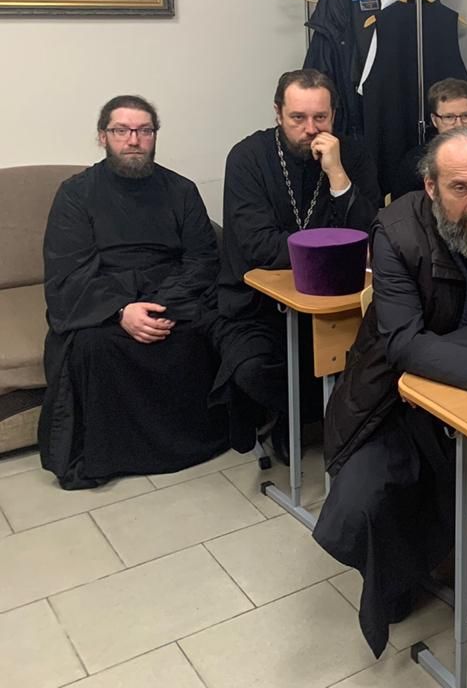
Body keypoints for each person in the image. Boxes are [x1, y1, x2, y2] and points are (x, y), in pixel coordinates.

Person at [314, 127, 467, 656]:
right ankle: (397, 581)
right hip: (392, 394)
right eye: (461, 188)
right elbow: (402, 343)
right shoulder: (396, 230)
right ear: (430, 187)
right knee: (361, 502)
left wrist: (448, 355)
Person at [39, 95, 228, 489]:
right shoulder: (75, 194)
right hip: (104, 297)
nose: (133, 139)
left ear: (155, 136)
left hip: (173, 295)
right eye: (121, 130)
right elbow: (68, 269)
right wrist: (121, 311)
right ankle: (112, 455)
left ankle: (192, 442)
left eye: (144, 130)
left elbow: (202, 258)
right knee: (91, 345)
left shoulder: (181, 190)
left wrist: (163, 304)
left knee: (206, 329)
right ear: (102, 137)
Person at [213, 69, 381, 456]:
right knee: (252, 368)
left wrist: (337, 175)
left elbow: (370, 236)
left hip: (337, 300)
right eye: (297, 118)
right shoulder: (247, 157)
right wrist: (335, 249)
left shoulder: (352, 154)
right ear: (278, 113)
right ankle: (295, 417)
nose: (310, 129)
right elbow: (257, 245)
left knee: (376, 355)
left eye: (320, 117)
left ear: (334, 115)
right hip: (258, 305)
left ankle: (335, 420)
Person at [387, 78, 467, 200]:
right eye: (449, 117)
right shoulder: (413, 163)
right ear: (434, 120)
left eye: (466, 116)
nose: (459, 125)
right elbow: (402, 211)